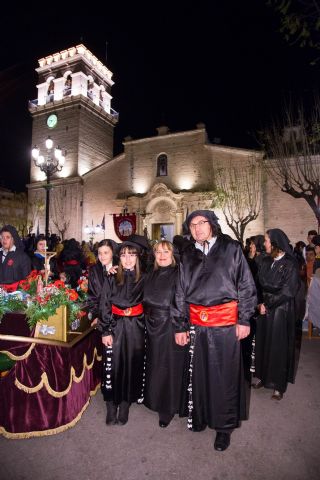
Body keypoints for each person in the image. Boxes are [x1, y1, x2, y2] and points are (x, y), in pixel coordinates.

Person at [177, 210, 257, 452]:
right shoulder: (187, 253)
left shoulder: (230, 248)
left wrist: (244, 319)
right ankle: (200, 416)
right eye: (192, 225)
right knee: (199, 374)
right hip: (196, 324)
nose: (197, 228)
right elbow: (180, 291)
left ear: (212, 224)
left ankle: (223, 427)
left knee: (224, 377)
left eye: (202, 223)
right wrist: (180, 325)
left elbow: (245, 284)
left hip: (225, 324)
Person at [100, 237, 146, 426]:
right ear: (119, 258)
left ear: (137, 258)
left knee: (131, 364)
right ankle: (111, 403)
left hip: (136, 326)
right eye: (124, 255)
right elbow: (104, 304)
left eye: (132, 255)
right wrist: (105, 331)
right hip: (115, 325)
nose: (128, 259)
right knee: (113, 365)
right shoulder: (111, 277)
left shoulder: (145, 277)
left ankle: (126, 402)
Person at [143, 240, 188, 428]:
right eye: (158, 252)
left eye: (166, 252)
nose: (161, 255)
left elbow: (184, 302)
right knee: (155, 365)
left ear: (173, 254)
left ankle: (168, 407)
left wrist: (182, 328)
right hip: (151, 325)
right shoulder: (150, 274)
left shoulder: (180, 274)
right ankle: (155, 400)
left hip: (171, 325)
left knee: (169, 368)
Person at [253, 228, 300, 401]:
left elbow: (288, 290)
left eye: (266, 240)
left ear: (274, 243)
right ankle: (263, 377)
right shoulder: (265, 261)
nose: (263, 243)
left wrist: (268, 304)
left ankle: (277, 385)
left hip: (281, 310)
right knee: (263, 344)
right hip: (265, 308)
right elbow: (257, 284)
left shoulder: (290, 263)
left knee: (278, 347)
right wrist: (259, 304)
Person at [87, 239, 117, 328]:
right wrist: (96, 316)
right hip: (101, 318)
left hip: (118, 319)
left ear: (113, 253)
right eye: (100, 253)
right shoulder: (94, 270)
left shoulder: (120, 269)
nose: (102, 256)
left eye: (106, 253)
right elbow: (92, 296)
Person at [0, 225, 31, 291]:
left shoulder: (23, 257)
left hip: (15, 295)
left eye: (7, 237)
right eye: (2, 237)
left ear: (14, 239)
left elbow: (26, 280)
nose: (4, 240)